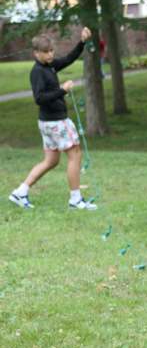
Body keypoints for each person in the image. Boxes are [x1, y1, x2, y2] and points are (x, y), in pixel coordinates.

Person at [8, 27, 97, 211]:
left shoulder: (50, 66)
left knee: (51, 161)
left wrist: (82, 41)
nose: (50, 55)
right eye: (45, 52)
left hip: (48, 123)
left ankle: (20, 192)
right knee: (75, 154)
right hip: (55, 122)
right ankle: (75, 200)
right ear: (36, 53)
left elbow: (69, 59)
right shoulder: (38, 71)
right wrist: (62, 90)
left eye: (51, 51)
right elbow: (39, 99)